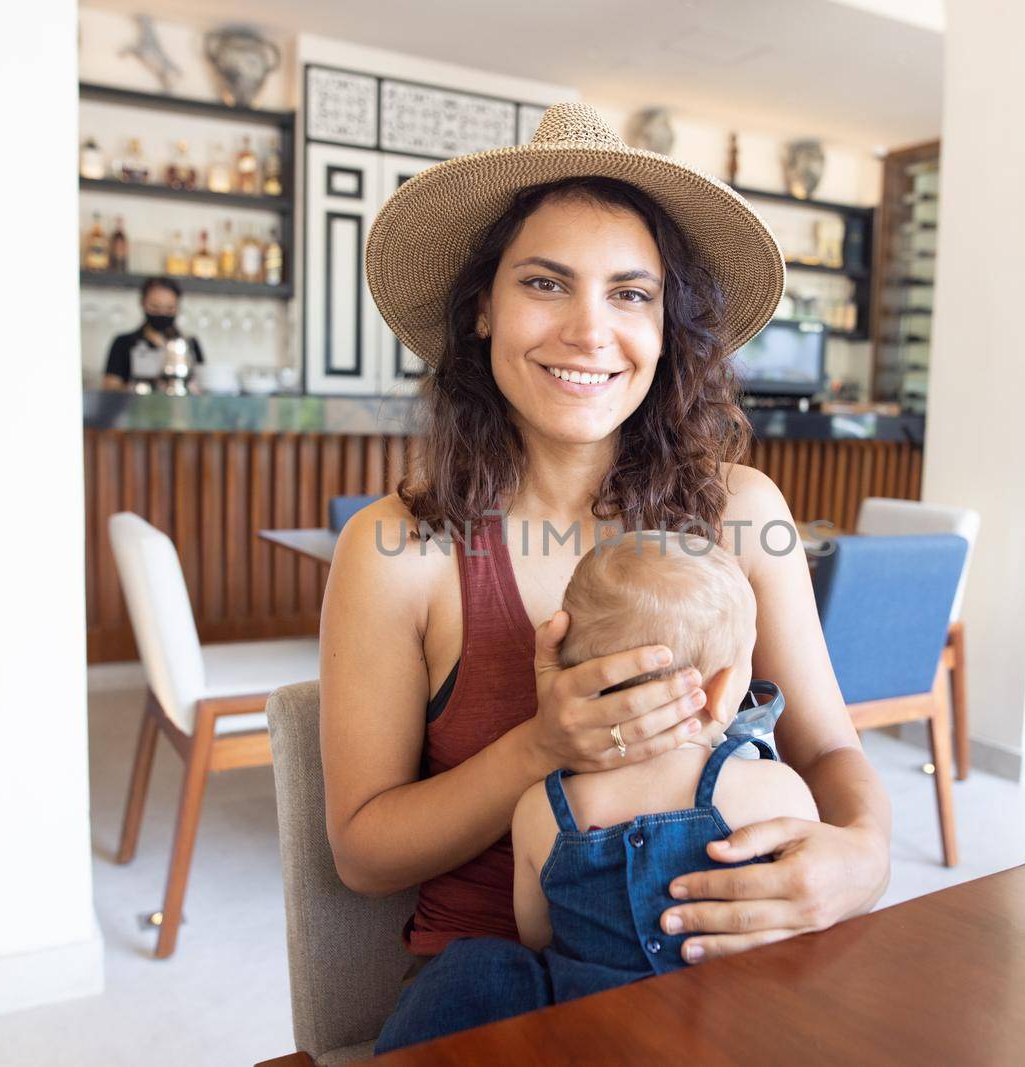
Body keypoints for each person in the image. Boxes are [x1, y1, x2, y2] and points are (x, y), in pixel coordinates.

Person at [320, 102, 892, 1052]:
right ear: (482, 309)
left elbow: (830, 751)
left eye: (630, 293)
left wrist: (864, 856)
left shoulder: (744, 511)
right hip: (492, 988)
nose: (590, 331)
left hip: (722, 973)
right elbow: (363, 851)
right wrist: (540, 745)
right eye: (546, 283)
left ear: (669, 325)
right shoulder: (401, 548)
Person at [512, 533, 819, 1003]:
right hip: (742, 1026)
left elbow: (535, 936)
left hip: (588, 1033)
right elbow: (808, 926)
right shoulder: (776, 791)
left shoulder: (540, 810)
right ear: (721, 691)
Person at [100, 276, 204, 389]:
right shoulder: (123, 343)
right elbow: (110, 387)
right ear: (143, 303)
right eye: (155, 307)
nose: (162, 313)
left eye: (169, 308)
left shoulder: (190, 343)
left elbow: (202, 387)